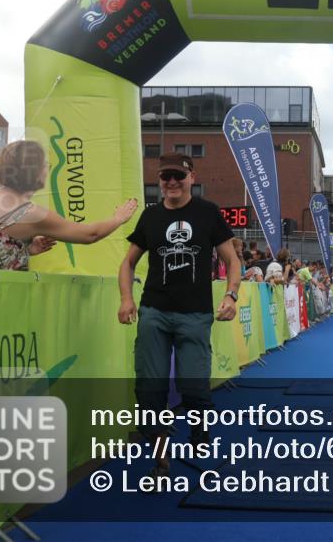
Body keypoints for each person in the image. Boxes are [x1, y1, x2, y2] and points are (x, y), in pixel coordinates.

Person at [117, 152, 241, 485]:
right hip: (154, 311)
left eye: (178, 176)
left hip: (196, 315)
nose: (171, 182)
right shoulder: (151, 217)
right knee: (149, 389)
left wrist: (231, 295)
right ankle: (161, 461)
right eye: (165, 177)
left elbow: (232, 260)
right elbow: (128, 262)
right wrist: (127, 298)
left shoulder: (208, 213)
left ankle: (199, 433)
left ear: (191, 177)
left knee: (195, 387)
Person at [0, 141, 136, 269]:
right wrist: (118, 218)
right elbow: (89, 234)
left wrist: (21, 249)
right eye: (45, 165)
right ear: (33, 170)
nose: (48, 170)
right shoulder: (31, 213)